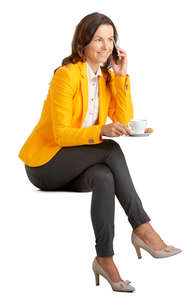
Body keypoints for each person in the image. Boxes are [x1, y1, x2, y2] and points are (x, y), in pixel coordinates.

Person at [18, 12, 182, 293]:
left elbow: (125, 118)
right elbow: (61, 135)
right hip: (46, 164)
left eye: (110, 40)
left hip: (77, 165)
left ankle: (104, 259)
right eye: (98, 39)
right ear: (83, 43)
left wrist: (120, 77)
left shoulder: (105, 78)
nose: (106, 46)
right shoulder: (66, 76)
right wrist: (102, 131)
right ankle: (142, 227)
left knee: (105, 177)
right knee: (110, 148)